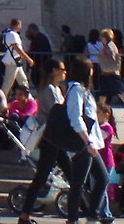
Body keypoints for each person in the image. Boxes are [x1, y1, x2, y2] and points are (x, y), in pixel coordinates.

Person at [18, 56, 101, 224]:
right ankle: (26, 214)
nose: (65, 72)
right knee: (46, 175)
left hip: (56, 138)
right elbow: (59, 115)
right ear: (54, 71)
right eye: (62, 69)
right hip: (50, 138)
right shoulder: (49, 90)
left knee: (71, 175)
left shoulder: (56, 89)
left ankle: (83, 211)